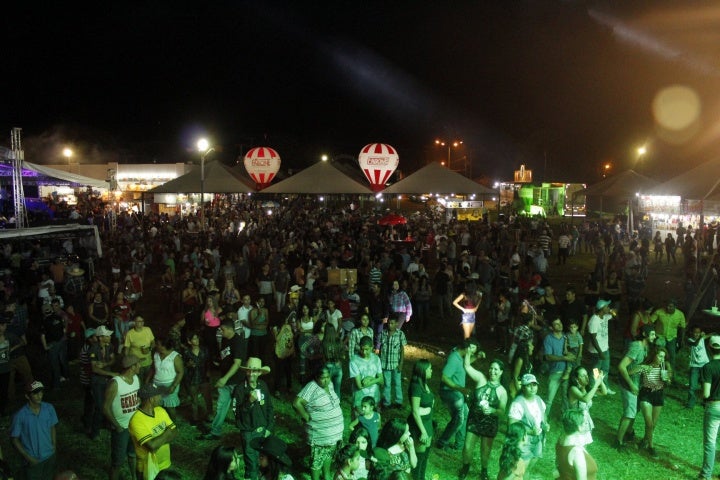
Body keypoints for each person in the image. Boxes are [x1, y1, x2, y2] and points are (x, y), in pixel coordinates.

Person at [293, 364, 345, 480]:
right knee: (317, 461)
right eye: (322, 378)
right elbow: (296, 403)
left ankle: (326, 476)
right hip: (319, 436)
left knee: (328, 456)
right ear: (316, 377)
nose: (326, 380)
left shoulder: (330, 385)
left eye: (328, 377)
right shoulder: (311, 387)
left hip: (332, 437)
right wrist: (306, 416)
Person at [199, 319, 247, 440]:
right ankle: (215, 432)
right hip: (226, 380)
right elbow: (226, 357)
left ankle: (247, 430)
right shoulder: (225, 340)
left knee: (240, 407)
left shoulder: (239, 342)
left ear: (230, 329)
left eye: (223, 329)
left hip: (236, 381)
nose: (221, 331)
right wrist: (219, 363)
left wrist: (224, 379)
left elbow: (237, 363)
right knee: (221, 405)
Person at [460, 358, 507, 480]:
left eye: (496, 369)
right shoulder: (481, 379)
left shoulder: (502, 392)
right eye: (491, 368)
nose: (492, 371)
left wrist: (493, 410)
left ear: (501, 372)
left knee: (486, 450)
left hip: (489, 424)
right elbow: (467, 366)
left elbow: (502, 411)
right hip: (474, 420)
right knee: (467, 447)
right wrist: (469, 352)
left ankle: (484, 471)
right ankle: (465, 467)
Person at [437, 338, 484, 451]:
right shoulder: (454, 358)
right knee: (459, 419)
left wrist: (476, 357)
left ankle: (459, 445)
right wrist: (460, 389)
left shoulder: (459, 355)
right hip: (450, 392)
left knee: (465, 415)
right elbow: (444, 377)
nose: (472, 353)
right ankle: (442, 443)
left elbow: (464, 364)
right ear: (467, 348)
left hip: (457, 392)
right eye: (472, 351)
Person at [616, 324, 656, 451]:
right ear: (644, 334)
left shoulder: (645, 347)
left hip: (636, 384)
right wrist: (631, 384)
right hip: (628, 384)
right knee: (629, 413)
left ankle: (628, 433)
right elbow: (622, 366)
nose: (654, 337)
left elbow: (637, 366)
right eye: (652, 334)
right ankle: (618, 441)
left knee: (633, 411)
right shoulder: (636, 346)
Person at [233, 357, 274, 480]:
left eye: (255, 370)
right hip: (249, 433)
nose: (251, 373)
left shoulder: (263, 385)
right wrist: (249, 402)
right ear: (246, 371)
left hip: (263, 431)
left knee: (263, 462)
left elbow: (269, 408)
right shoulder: (240, 389)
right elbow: (238, 414)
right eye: (249, 370)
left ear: (259, 372)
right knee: (251, 464)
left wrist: (269, 428)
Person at [129, 383, 178, 480]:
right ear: (151, 399)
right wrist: (167, 433)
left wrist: (158, 441)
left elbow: (175, 432)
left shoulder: (160, 410)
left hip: (165, 464)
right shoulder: (136, 420)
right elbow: (152, 446)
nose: (160, 397)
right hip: (147, 468)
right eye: (158, 395)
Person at [104, 354, 141, 480]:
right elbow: (105, 408)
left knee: (133, 454)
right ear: (132, 367)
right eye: (138, 364)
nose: (140, 366)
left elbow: (137, 397)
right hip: (122, 428)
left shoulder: (136, 378)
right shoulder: (115, 383)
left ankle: (134, 477)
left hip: (134, 426)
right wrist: (117, 426)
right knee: (117, 462)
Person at [10, 381, 58, 480]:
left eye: (41, 392)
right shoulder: (20, 416)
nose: (39, 396)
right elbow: (14, 439)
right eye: (35, 393)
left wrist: (54, 445)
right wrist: (28, 457)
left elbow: (52, 427)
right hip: (34, 459)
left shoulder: (49, 408)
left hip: (49, 455)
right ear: (27, 396)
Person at [507, 374, 549, 479]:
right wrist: (530, 431)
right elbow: (512, 426)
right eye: (528, 385)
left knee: (528, 469)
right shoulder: (518, 403)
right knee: (519, 471)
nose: (532, 388)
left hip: (538, 440)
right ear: (523, 387)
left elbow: (543, 414)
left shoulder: (538, 399)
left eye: (534, 385)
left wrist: (545, 423)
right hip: (524, 442)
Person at [637, 345, 672, 458]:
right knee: (649, 423)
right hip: (646, 394)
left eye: (664, 357)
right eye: (660, 356)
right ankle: (651, 447)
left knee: (653, 424)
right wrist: (641, 367)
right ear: (654, 355)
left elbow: (669, 382)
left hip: (658, 395)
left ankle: (645, 440)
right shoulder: (646, 366)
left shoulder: (664, 366)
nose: (662, 359)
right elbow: (631, 372)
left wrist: (667, 379)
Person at [90, 325, 119, 440]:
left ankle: (107, 425)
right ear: (100, 337)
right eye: (107, 336)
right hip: (97, 381)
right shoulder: (93, 349)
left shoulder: (110, 346)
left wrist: (106, 364)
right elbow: (94, 369)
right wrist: (111, 374)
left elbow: (113, 359)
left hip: (107, 380)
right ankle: (95, 432)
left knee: (109, 403)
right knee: (99, 406)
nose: (110, 337)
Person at [407, 359, 434, 480]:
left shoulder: (424, 383)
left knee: (425, 457)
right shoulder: (416, 386)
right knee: (418, 458)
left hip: (428, 423)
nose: (431, 371)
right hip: (419, 426)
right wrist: (423, 431)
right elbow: (415, 411)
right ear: (423, 371)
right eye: (429, 369)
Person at [543, 318, 575, 418]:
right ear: (551, 327)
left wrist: (570, 355)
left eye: (560, 322)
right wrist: (564, 358)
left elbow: (572, 351)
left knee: (566, 398)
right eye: (556, 324)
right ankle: (543, 419)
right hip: (555, 372)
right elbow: (548, 356)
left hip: (567, 372)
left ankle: (566, 418)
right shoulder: (548, 339)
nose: (560, 325)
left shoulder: (566, 336)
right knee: (549, 399)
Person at [554, 409, 599, 480]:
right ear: (579, 427)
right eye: (585, 423)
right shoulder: (576, 452)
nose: (587, 425)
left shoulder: (561, 440)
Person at [566, 366, 604, 447]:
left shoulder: (587, 389)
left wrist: (600, 380)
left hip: (586, 422)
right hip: (576, 422)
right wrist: (596, 385)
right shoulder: (573, 389)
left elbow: (604, 392)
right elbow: (585, 399)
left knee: (584, 447)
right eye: (583, 376)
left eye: (587, 375)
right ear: (576, 379)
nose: (587, 377)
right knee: (575, 447)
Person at [148, 336, 184, 421]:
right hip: (156, 384)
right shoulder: (156, 354)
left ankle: (173, 424)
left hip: (170, 384)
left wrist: (173, 386)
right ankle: (161, 422)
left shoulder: (175, 356)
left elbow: (180, 372)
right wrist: (147, 380)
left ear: (164, 346)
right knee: (157, 405)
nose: (156, 345)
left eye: (158, 344)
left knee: (170, 407)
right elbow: (153, 368)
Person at [700, 335, 720, 479]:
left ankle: (706, 475)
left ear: (709, 347)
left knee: (710, 443)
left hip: (714, 406)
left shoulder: (708, 367)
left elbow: (706, 394)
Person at [183, 330, 213, 424]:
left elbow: (208, 362)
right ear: (189, 341)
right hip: (192, 378)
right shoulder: (186, 352)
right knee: (194, 399)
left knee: (207, 398)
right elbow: (183, 365)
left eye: (197, 338)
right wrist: (188, 365)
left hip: (204, 377)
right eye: (194, 339)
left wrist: (208, 371)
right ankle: (195, 418)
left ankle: (210, 415)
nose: (197, 340)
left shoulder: (204, 350)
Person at [586, 299, 615, 394]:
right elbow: (593, 338)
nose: (609, 308)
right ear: (602, 308)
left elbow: (615, 317)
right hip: (596, 351)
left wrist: (612, 312)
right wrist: (600, 352)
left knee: (605, 369)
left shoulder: (605, 316)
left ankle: (605, 387)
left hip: (605, 348)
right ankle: (592, 388)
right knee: (595, 370)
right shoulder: (594, 320)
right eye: (607, 306)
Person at [379, 315, 407, 409]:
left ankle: (398, 402)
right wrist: (379, 362)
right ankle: (387, 402)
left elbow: (402, 350)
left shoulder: (400, 334)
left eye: (392, 323)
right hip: (385, 363)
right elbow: (381, 348)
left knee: (397, 383)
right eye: (389, 323)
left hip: (395, 364)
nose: (390, 325)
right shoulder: (383, 333)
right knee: (387, 384)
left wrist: (401, 363)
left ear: (396, 324)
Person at [350, 336, 384, 412]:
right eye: (362, 349)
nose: (364, 352)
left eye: (367, 349)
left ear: (372, 347)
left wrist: (370, 378)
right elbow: (359, 386)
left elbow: (382, 382)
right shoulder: (354, 361)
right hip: (360, 401)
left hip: (374, 398)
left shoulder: (376, 359)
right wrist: (377, 379)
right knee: (360, 418)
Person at [650, 298, 686, 367]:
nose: (668, 307)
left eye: (670, 306)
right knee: (658, 355)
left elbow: (683, 328)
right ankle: (656, 369)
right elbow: (650, 322)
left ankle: (670, 371)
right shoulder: (659, 312)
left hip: (671, 338)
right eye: (667, 305)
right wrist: (652, 335)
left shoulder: (680, 314)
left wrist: (682, 340)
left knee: (672, 356)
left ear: (675, 307)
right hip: (659, 337)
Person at [124, 315, 155, 380]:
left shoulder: (148, 329)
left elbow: (153, 342)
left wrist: (149, 349)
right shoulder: (129, 333)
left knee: (147, 379)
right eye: (139, 321)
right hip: (136, 364)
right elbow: (126, 348)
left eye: (142, 321)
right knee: (138, 380)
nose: (141, 322)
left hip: (147, 361)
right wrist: (127, 362)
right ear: (134, 322)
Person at [686, 326, 710, 409]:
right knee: (692, 386)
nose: (697, 334)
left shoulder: (702, 338)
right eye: (695, 332)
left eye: (698, 332)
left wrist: (715, 333)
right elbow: (695, 344)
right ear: (691, 333)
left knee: (705, 385)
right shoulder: (689, 340)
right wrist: (701, 337)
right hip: (694, 366)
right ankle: (690, 404)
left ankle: (706, 403)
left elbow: (709, 335)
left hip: (705, 365)